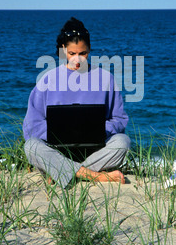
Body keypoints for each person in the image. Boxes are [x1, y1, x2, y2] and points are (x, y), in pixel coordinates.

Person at [23, 17, 130, 187]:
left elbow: (119, 119)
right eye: (72, 54)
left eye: (83, 53)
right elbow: (31, 126)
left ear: (89, 50)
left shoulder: (106, 79)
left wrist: (99, 130)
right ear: (63, 49)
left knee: (122, 142)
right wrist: (56, 133)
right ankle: (94, 175)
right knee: (31, 146)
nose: (77, 60)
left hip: (94, 150)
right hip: (57, 149)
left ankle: (59, 171)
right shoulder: (47, 80)